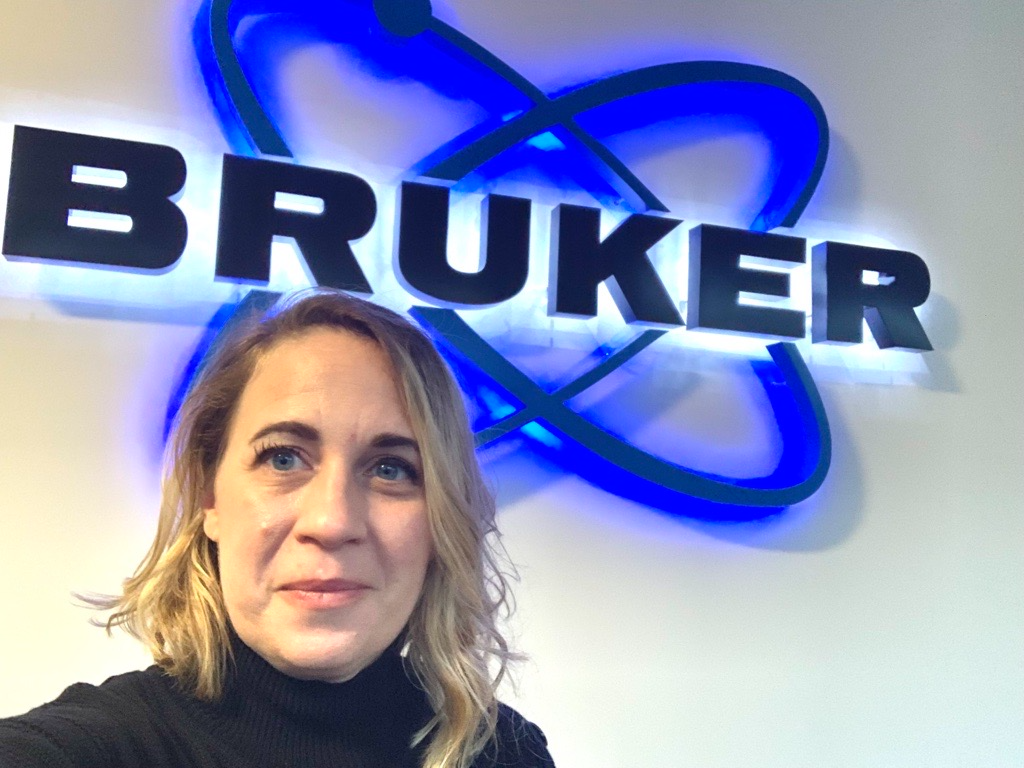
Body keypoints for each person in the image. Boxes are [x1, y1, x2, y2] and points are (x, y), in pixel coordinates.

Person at [0, 289, 555, 768]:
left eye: (391, 469)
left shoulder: (501, 752)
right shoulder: (94, 746)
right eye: (283, 458)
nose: (332, 522)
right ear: (209, 497)